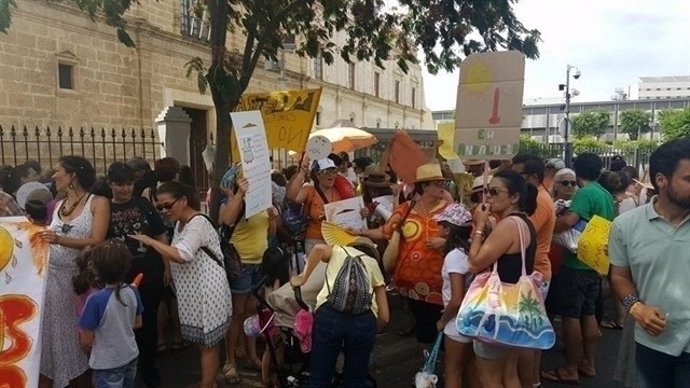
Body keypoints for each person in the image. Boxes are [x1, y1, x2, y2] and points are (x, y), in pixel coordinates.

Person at [129, 181, 232, 388]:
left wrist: (151, 242)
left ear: (184, 200)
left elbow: (183, 255)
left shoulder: (198, 223)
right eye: (160, 207)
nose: (164, 211)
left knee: (207, 345)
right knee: (202, 343)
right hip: (193, 292)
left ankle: (207, 384)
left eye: (168, 205)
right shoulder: (179, 223)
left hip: (206, 292)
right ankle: (208, 381)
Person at [609, 138, 690, 388]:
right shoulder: (626, 226)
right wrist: (636, 309)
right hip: (651, 342)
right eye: (688, 179)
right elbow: (619, 276)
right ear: (661, 180)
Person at [38, 156, 110, 388]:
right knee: (54, 338)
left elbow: (97, 240)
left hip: (79, 283)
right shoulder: (59, 204)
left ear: (72, 176)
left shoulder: (97, 202)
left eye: (57, 171)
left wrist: (60, 238)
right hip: (52, 283)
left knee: (78, 339)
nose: (53, 176)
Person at [543, 153, 615, 384]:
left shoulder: (585, 194)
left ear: (576, 169)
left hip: (576, 262)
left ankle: (570, 368)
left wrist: (546, 224)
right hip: (595, 263)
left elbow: (567, 222)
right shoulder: (604, 194)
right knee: (589, 312)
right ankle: (589, 362)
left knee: (570, 315)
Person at [358, 162, 449, 345]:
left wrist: (445, 242)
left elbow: (465, 237)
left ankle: (438, 365)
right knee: (424, 330)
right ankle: (427, 366)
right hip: (411, 285)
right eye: (437, 183)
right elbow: (385, 231)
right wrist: (359, 232)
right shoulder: (405, 209)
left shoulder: (450, 209)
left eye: (442, 183)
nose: (442, 187)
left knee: (442, 329)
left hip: (441, 284)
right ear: (424, 186)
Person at [467, 170, 538, 388]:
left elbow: (475, 262)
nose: (487, 196)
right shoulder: (524, 223)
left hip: (498, 308)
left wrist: (479, 226)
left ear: (514, 197)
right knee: (509, 375)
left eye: (494, 191)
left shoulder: (508, 225)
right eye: (487, 191)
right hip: (515, 306)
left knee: (489, 377)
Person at [290, 239, 389, 387]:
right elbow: (385, 317)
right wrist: (373, 330)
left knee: (319, 378)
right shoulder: (373, 264)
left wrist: (303, 278)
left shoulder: (339, 250)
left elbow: (318, 248)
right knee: (355, 380)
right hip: (363, 322)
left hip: (330, 315)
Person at [106, 162, 170, 387]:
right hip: (119, 279)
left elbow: (161, 234)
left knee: (148, 324)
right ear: (110, 184)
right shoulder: (105, 208)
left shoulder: (143, 204)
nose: (125, 189)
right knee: (122, 326)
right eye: (120, 184)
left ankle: (148, 369)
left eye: (129, 183)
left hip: (149, 273)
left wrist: (167, 267)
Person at [218, 166, 278, 384]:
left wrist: (272, 218)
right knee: (237, 312)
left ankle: (252, 355)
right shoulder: (236, 199)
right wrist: (240, 194)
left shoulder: (262, 200)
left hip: (259, 263)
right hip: (240, 263)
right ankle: (230, 360)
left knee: (252, 311)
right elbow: (226, 220)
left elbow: (270, 234)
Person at [511, 154, 556, 388]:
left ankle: (529, 381)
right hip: (534, 273)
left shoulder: (538, 201)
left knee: (524, 338)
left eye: (517, 175)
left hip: (534, 274)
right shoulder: (537, 197)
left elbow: (520, 233)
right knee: (530, 335)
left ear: (533, 177)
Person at [77, 241, 143, 388]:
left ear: (97, 270)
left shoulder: (95, 300)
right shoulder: (133, 291)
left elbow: (86, 341)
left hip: (107, 362)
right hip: (130, 355)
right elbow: (138, 323)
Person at [434, 203, 478, 388]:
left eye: (442, 224)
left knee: (452, 371)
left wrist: (442, 321)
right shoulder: (473, 251)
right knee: (472, 370)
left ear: (448, 229)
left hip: (457, 322)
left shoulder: (454, 256)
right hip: (475, 318)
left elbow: (456, 299)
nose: (439, 228)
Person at [286, 157, 367, 254]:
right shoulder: (310, 190)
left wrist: (362, 212)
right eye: (326, 171)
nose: (331, 175)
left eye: (333, 171)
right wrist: (302, 172)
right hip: (315, 241)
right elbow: (291, 197)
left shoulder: (341, 191)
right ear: (317, 175)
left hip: (338, 241)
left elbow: (352, 213)